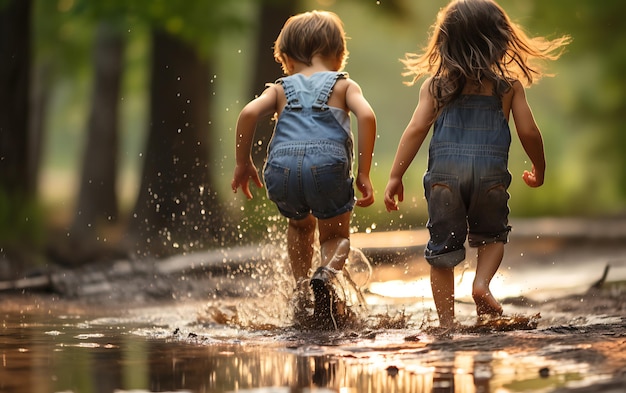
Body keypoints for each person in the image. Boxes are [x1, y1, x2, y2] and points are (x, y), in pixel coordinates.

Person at [384, 0, 570, 328]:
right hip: (490, 177)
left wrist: (395, 175)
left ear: (445, 42)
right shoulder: (508, 88)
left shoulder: (436, 87)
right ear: (500, 42)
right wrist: (539, 168)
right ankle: (482, 284)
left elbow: (415, 130)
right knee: (493, 236)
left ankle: (447, 323)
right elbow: (529, 130)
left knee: (442, 252)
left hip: (445, 178)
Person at [231, 10, 376, 326]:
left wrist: (243, 164)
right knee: (335, 237)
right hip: (328, 167)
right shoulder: (343, 85)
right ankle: (324, 275)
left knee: (299, 226)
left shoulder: (281, 88)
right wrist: (363, 173)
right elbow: (366, 117)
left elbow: (247, 114)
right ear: (339, 56)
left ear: (286, 58)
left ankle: (300, 295)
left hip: (282, 169)